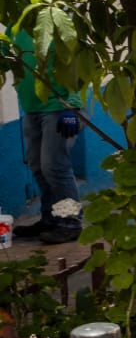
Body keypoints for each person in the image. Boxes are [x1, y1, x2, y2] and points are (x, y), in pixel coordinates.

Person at [8, 30, 85, 245]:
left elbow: (75, 63)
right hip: (33, 108)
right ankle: (51, 218)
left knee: (55, 166)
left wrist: (71, 105)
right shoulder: (15, 25)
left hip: (60, 108)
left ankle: (70, 222)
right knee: (37, 166)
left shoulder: (53, 21)